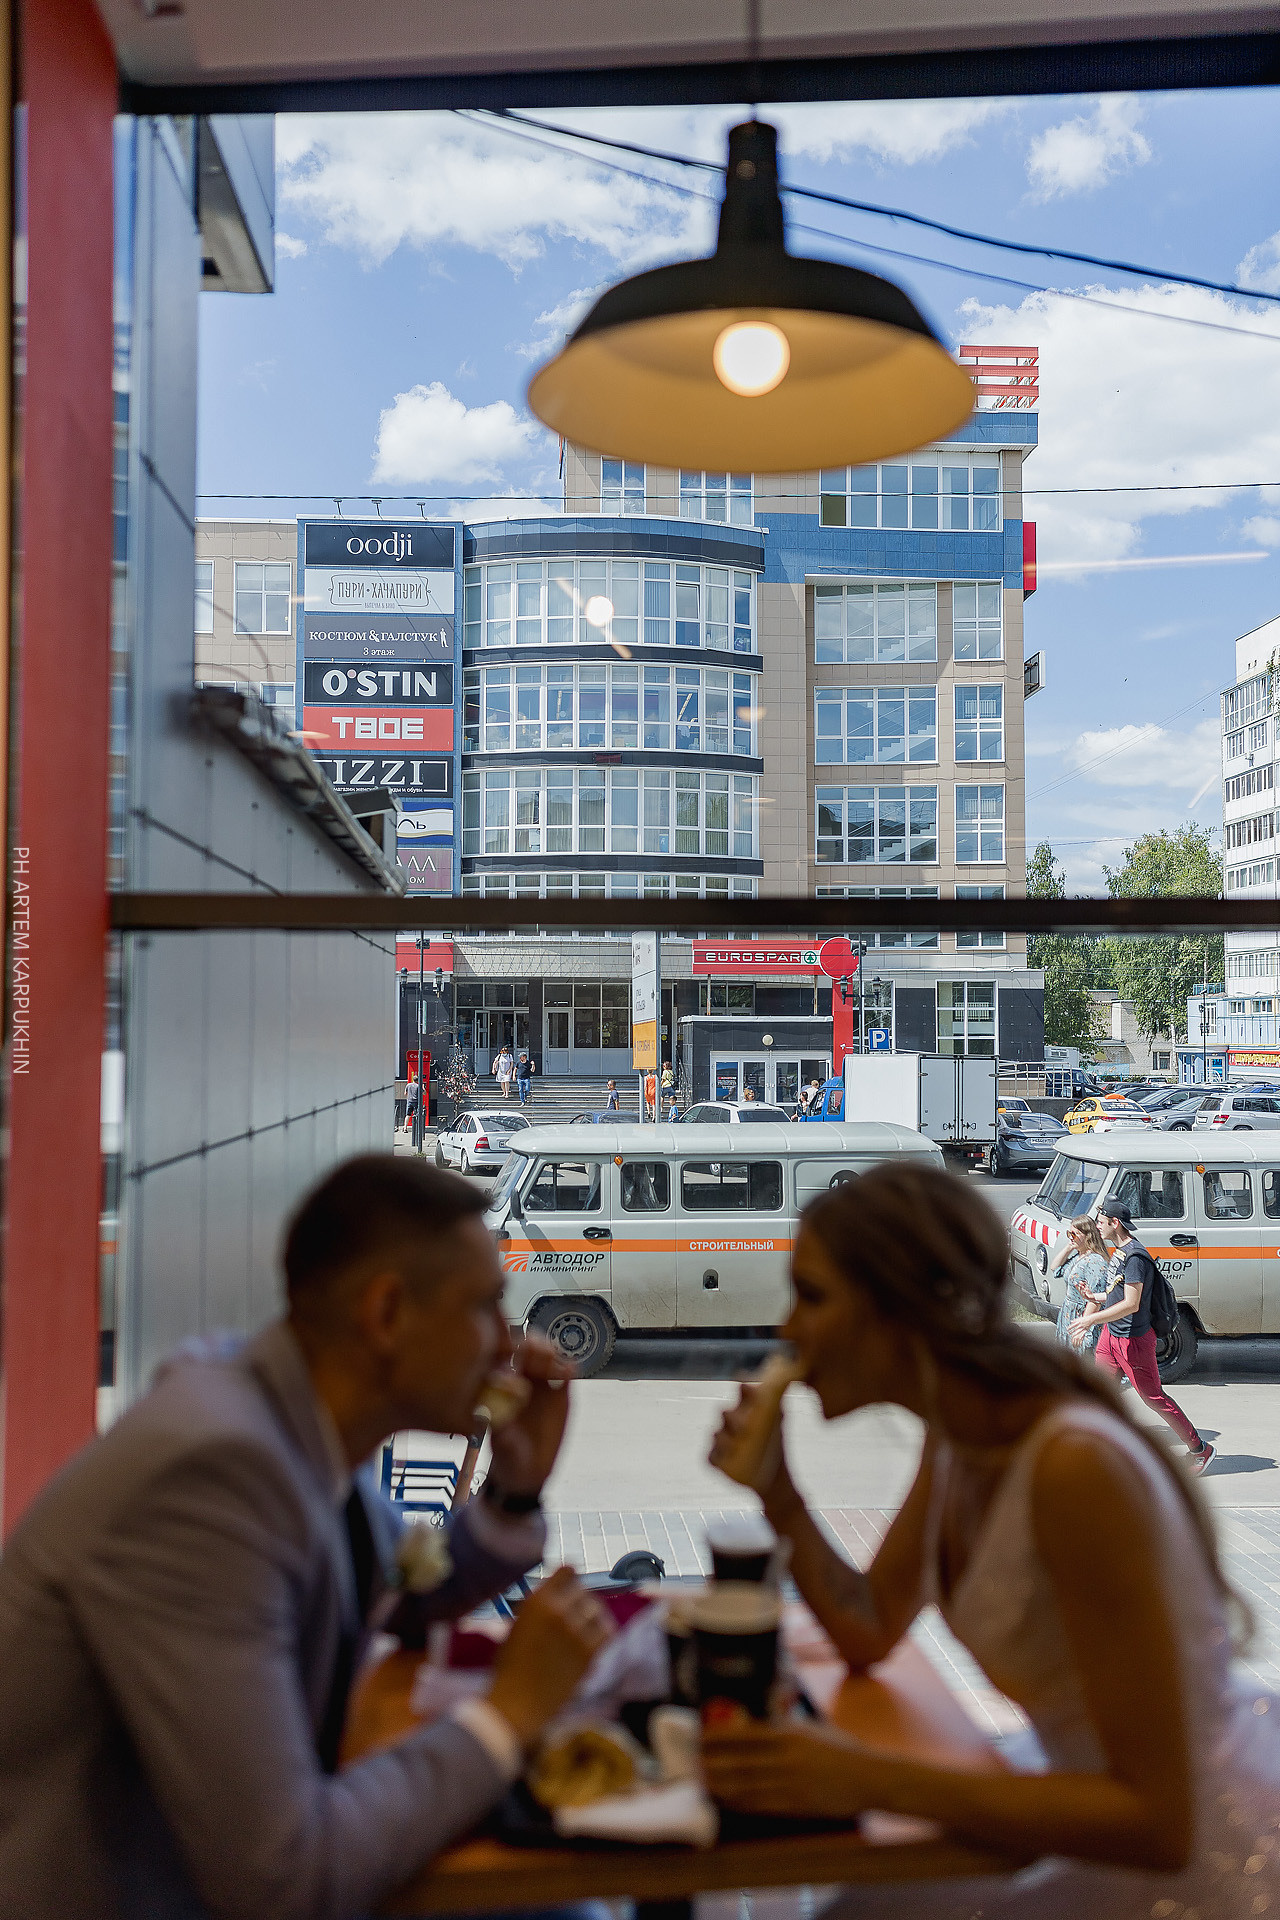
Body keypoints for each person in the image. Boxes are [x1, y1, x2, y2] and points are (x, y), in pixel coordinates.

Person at [0, 1157, 613, 1918]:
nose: (508, 1344)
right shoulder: (211, 1476)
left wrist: (515, 1493)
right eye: (486, 1307)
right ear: (387, 1314)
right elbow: (284, 1880)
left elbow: (402, 1589)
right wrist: (507, 1718)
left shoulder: (284, 1411)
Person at [703, 1162, 1276, 1920]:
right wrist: (778, 1491)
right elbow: (870, 1626)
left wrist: (866, 1777)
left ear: (899, 1311)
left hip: (1209, 1852)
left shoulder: (1072, 1471)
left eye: (811, 1297)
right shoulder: (961, 1442)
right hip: (1098, 1798)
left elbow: (1157, 1820)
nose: (788, 1329)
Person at [1071, 1201, 1213, 1472]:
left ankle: (1200, 1449)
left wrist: (1090, 1318)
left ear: (1115, 1223)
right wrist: (1094, 1297)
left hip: (1132, 1340)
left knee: (1152, 1397)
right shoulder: (1119, 1253)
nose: (1097, 1225)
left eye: (1102, 1220)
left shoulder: (1135, 1257)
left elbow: (1131, 1304)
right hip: (1111, 1336)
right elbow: (1117, 1294)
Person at [1050, 1214, 1109, 1355]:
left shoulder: (1095, 1262)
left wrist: (1083, 1327)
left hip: (1082, 1316)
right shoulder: (1078, 1256)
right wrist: (1068, 1248)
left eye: (1075, 1234)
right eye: (1069, 1233)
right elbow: (1055, 1269)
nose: (1071, 1237)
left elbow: (1095, 1300)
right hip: (1069, 1315)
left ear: (1087, 1236)